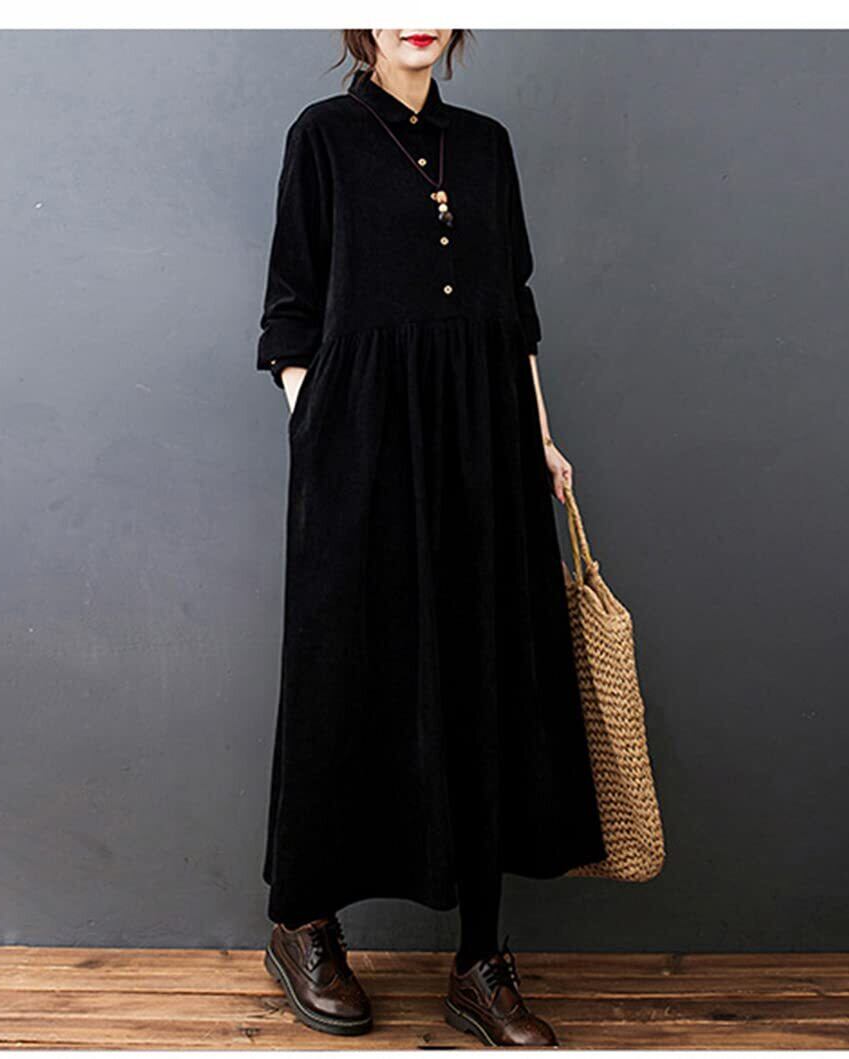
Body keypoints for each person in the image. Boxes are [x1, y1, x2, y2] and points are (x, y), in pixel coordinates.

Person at [255, 29, 605, 1047]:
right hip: (361, 443)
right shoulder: (322, 136)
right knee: (345, 670)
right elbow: (290, 311)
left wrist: (538, 438)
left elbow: (513, 310)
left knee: (485, 674)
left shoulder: (485, 144)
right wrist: (324, 437)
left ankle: (480, 961)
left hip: (484, 439)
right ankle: (303, 920)